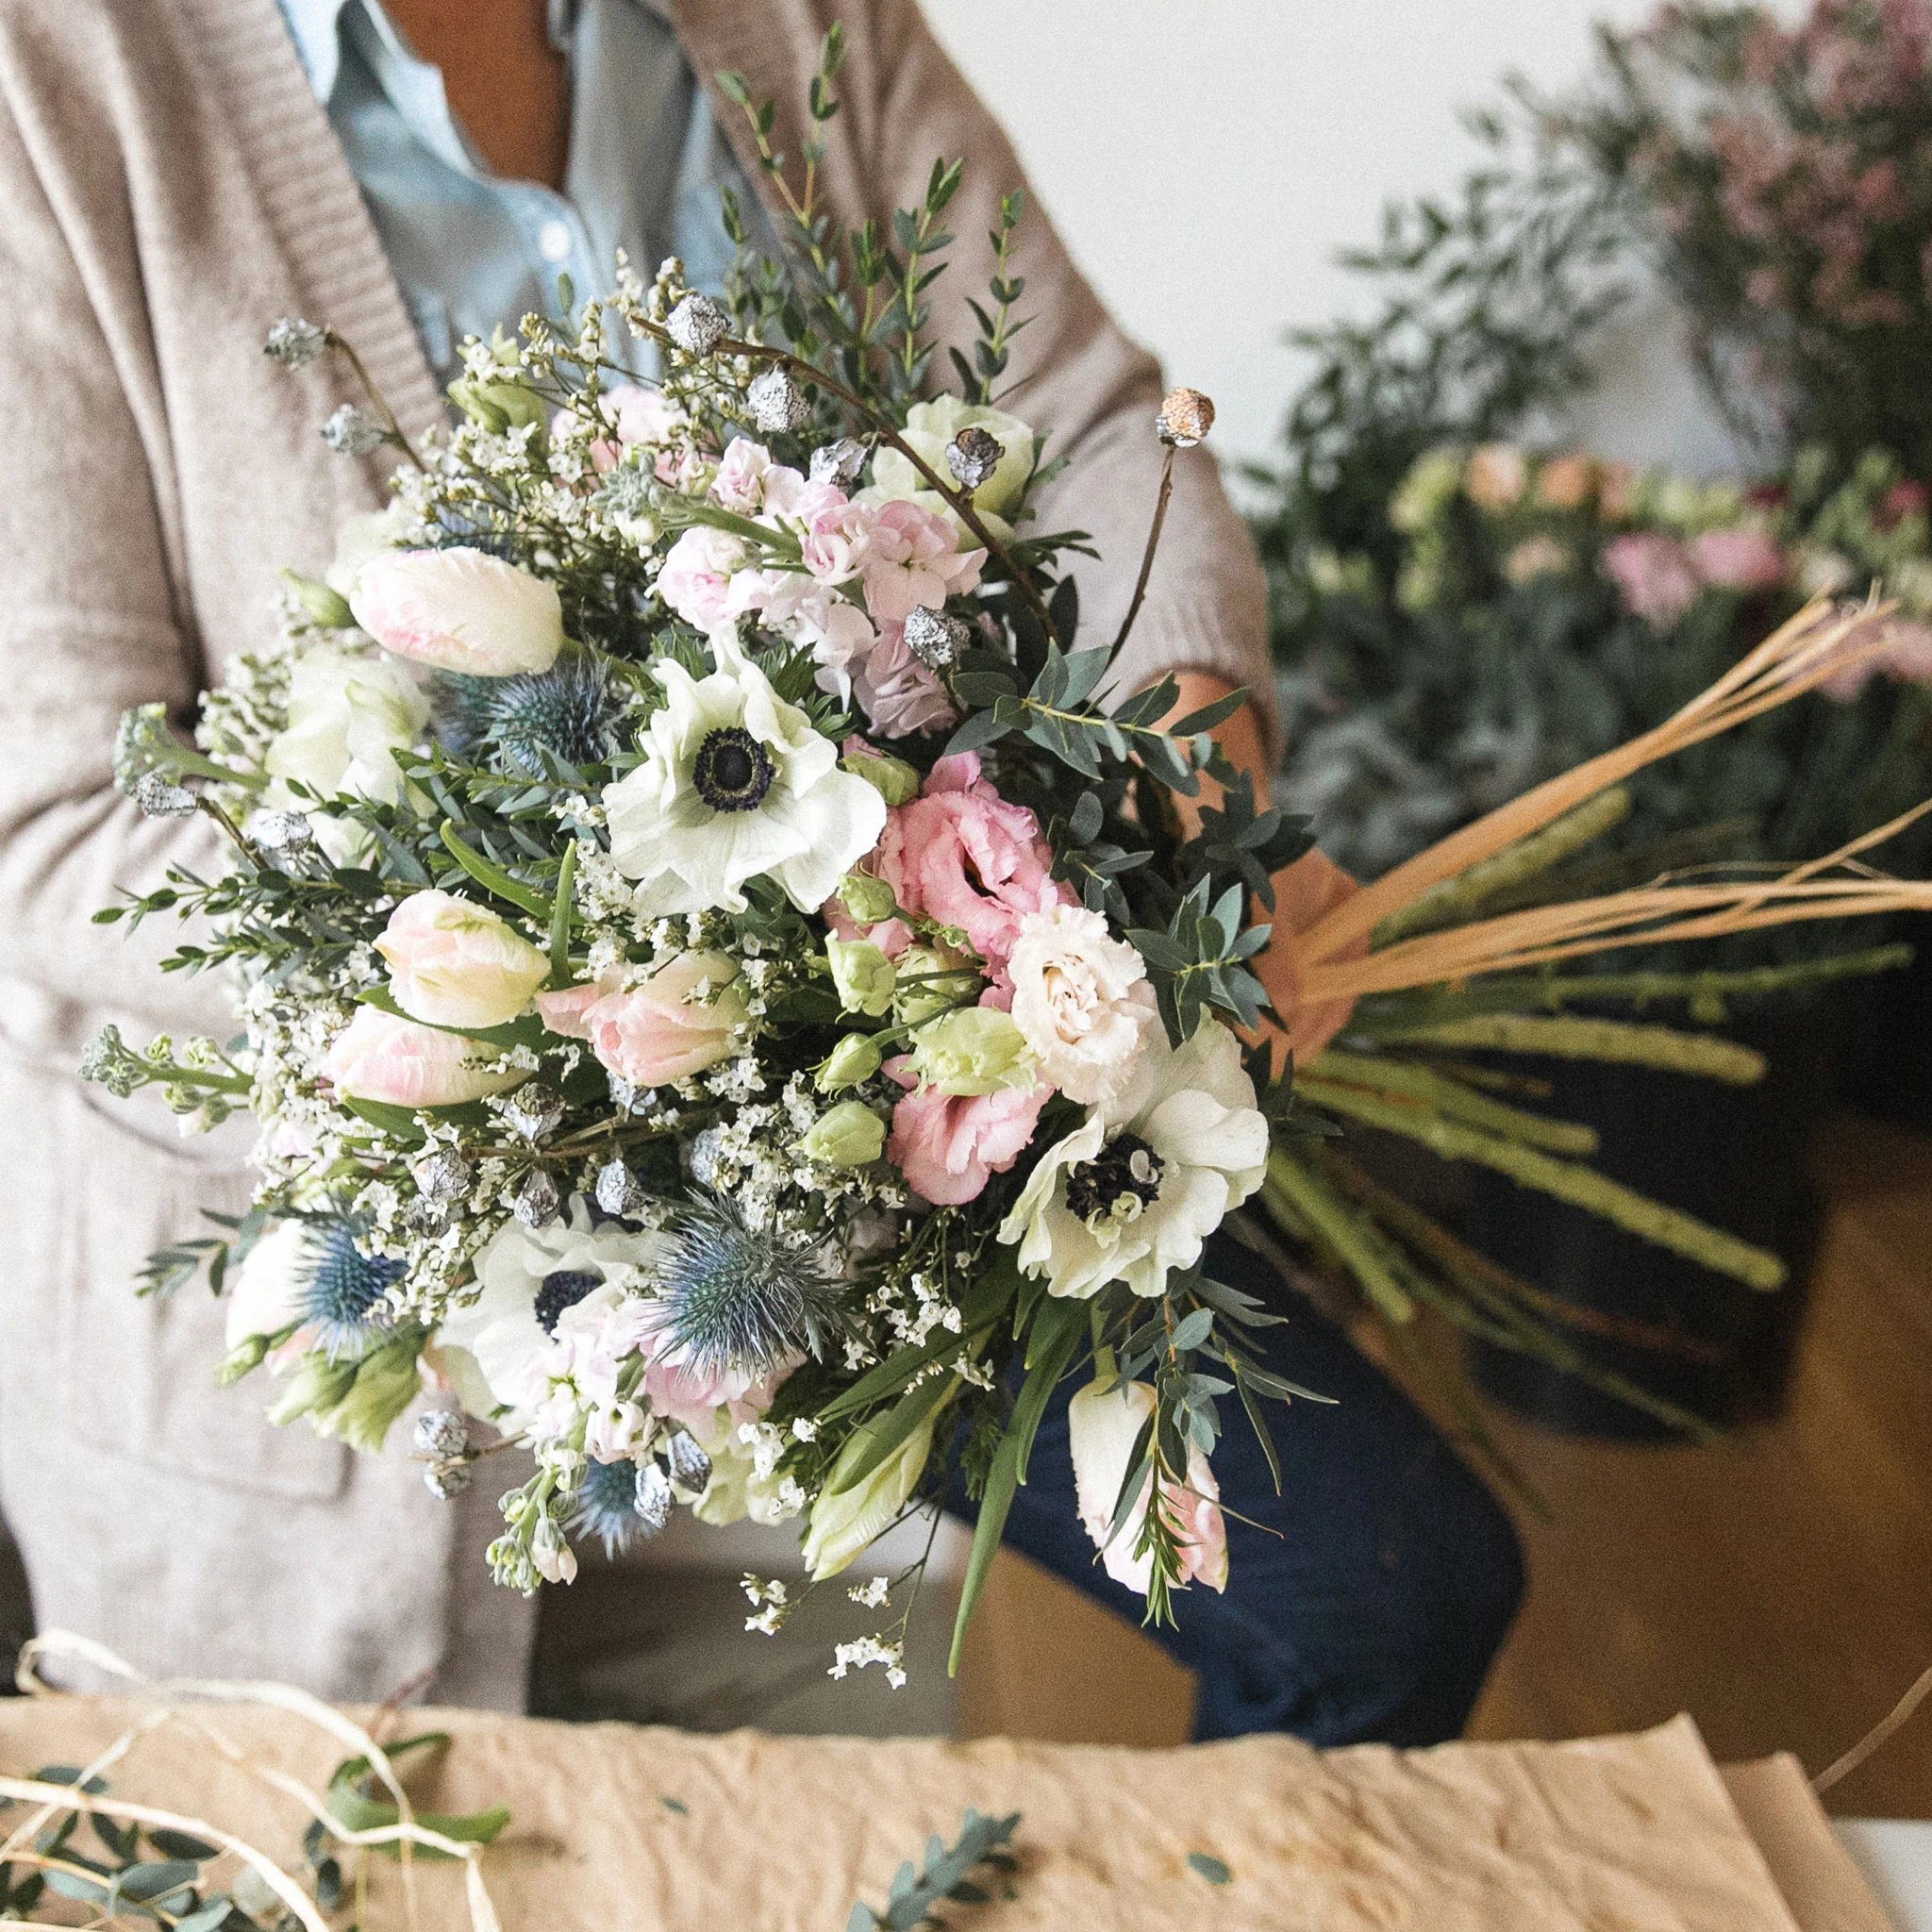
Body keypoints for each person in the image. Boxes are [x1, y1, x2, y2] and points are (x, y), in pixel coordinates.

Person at [0, 0, 1522, 1734]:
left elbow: (1097, 426)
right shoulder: (52, 83)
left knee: (1388, 1593)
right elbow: (50, 823)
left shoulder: (798, 26)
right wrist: (613, 999)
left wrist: (1183, 770)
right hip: (349, 1325)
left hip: (880, 1142)